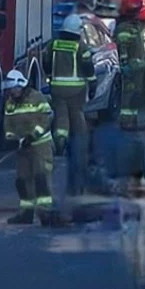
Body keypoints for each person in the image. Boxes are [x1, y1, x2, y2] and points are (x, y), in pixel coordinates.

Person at [45, 13, 96, 195]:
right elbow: (88, 66)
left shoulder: (54, 44)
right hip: (76, 88)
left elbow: (46, 61)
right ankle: (80, 139)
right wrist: (92, 82)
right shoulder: (81, 46)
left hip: (57, 87)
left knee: (60, 114)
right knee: (77, 115)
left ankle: (60, 139)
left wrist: (50, 76)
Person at [1, 69, 54, 224]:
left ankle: (46, 213)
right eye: (10, 89)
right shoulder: (10, 103)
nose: (12, 92)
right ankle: (26, 213)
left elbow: (46, 119)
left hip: (40, 145)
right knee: (22, 180)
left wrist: (32, 136)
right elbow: (8, 125)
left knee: (41, 178)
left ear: (21, 85)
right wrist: (11, 139)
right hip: (23, 147)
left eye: (14, 88)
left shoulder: (37, 97)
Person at [114, 0, 145, 131]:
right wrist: (125, 65)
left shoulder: (133, 26)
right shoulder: (124, 28)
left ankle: (132, 121)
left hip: (137, 68)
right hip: (132, 67)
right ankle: (126, 122)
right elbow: (122, 48)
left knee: (135, 95)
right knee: (128, 95)